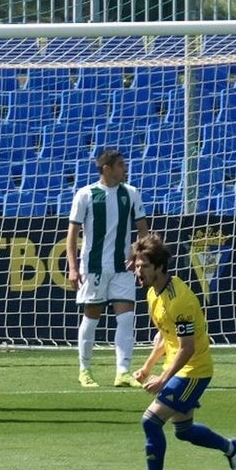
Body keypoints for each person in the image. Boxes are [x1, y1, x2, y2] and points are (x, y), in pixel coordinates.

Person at [121, 233, 236, 470]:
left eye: (144, 266)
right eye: (137, 265)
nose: (138, 271)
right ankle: (231, 447)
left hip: (194, 371)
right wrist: (148, 366)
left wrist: (163, 379)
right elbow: (166, 336)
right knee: (185, 431)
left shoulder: (181, 300)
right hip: (180, 368)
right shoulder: (154, 293)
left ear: (159, 267)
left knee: (150, 421)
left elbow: (187, 348)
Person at [66, 149, 149, 388]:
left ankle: (123, 372)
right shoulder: (86, 195)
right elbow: (72, 235)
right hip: (94, 267)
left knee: (126, 317)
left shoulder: (131, 193)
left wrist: (137, 254)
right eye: (121, 165)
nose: (125, 168)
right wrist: (73, 268)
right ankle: (85, 370)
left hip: (123, 267)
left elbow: (143, 230)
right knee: (92, 318)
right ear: (106, 168)